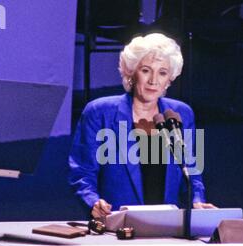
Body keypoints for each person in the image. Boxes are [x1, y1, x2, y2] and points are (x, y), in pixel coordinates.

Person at [69, 33, 216, 220]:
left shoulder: (181, 114)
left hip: (168, 226)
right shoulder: (99, 112)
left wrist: (196, 201)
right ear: (131, 73)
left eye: (162, 72)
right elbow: (82, 172)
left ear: (169, 79)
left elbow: (192, 171)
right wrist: (93, 202)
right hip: (117, 224)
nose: (153, 80)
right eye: (146, 70)